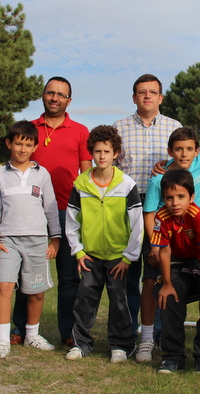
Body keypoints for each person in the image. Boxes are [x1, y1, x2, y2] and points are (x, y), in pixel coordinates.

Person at [11, 76, 92, 347]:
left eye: (60, 94)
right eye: (50, 93)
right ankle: (19, 328)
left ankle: (68, 332)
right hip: (30, 212)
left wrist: (85, 212)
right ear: (43, 95)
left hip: (66, 211)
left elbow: (86, 174)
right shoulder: (29, 129)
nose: (54, 98)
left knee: (69, 276)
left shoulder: (81, 131)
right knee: (26, 271)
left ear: (69, 100)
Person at [64, 125, 143, 363]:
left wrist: (129, 257)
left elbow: (137, 225)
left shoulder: (127, 184)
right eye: (97, 151)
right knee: (85, 299)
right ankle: (81, 343)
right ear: (91, 153)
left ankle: (120, 345)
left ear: (115, 153)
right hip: (90, 256)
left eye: (107, 151)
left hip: (119, 258)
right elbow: (71, 221)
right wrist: (78, 251)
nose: (102, 156)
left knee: (120, 302)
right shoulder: (80, 184)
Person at [113, 73, 183, 336]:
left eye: (152, 92)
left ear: (160, 97)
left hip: (163, 207)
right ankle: (127, 330)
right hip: (128, 206)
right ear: (134, 97)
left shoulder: (173, 126)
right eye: (142, 92)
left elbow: (184, 158)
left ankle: (158, 333)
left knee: (160, 271)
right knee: (127, 271)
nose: (147, 96)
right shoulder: (119, 128)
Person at [136, 127, 200, 363]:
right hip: (162, 238)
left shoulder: (199, 161)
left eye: (189, 149)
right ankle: (147, 338)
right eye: (178, 149)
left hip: (192, 242)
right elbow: (149, 213)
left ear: (197, 151)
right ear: (170, 151)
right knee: (150, 283)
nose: (184, 154)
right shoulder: (159, 178)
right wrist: (155, 245)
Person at [0, 121, 61, 358]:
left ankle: (32, 335)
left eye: (28, 145)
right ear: (9, 143)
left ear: (35, 147)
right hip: (8, 241)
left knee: (36, 292)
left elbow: (50, 208)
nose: (22, 149)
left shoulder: (42, 174)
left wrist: (55, 240)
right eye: (18, 143)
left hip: (38, 241)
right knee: (4, 286)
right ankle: (2, 340)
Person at [152, 169, 200, 375]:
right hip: (180, 260)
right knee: (169, 297)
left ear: (191, 197)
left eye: (181, 197)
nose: (175, 202)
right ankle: (173, 357)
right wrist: (167, 284)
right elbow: (164, 251)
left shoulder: (198, 215)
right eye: (169, 197)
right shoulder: (161, 217)